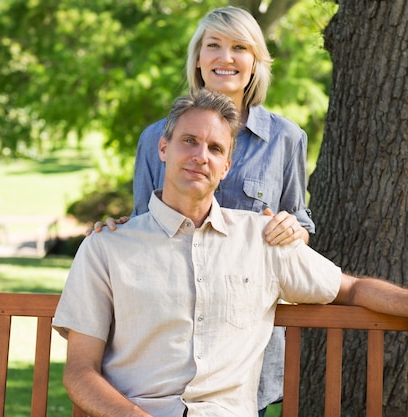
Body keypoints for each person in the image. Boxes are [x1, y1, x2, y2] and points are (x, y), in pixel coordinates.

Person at [54, 88, 408, 417]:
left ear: (227, 166)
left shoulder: (262, 240)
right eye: (189, 142)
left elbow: (352, 289)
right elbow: (79, 371)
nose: (200, 156)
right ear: (163, 149)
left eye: (215, 149)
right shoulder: (107, 248)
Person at [92, 7, 313, 415]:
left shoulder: (285, 139)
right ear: (197, 58)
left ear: (254, 64)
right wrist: (116, 229)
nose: (225, 57)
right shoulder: (154, 139)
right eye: (213, 45)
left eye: (239, 48)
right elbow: (146, 229)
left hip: (242, 351)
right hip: (163, 344)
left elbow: (300, 222)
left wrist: (294, 230)